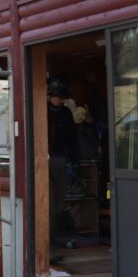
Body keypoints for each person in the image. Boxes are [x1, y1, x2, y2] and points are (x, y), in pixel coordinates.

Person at [47, 78, 79, 256]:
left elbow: (72, 138)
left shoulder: (66, 114)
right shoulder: (43, 112)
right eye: (56, 97)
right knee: (49, 203)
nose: (58, 101)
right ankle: (49, 241)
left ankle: (56, 236)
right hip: (44, 161)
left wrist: (74, 160)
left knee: (59, 201)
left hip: (60, 159)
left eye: (61, 98)